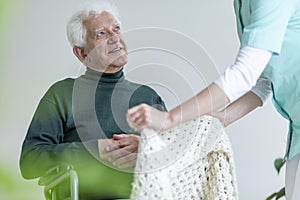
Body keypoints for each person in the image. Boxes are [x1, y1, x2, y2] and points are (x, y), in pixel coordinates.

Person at [127, 0, 300, 199]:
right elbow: (262, 80)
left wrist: (169, 119)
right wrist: (172, 138)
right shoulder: (242, 3)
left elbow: (245, 74)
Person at [19, 3, 166, 200]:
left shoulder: (147, 97)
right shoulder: (62, 94)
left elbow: (174, 155)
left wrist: (146, 146)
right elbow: (30, 161)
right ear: (82, 53)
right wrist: (96, 150)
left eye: (116, 29)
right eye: (101, 34)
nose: (115, 38)